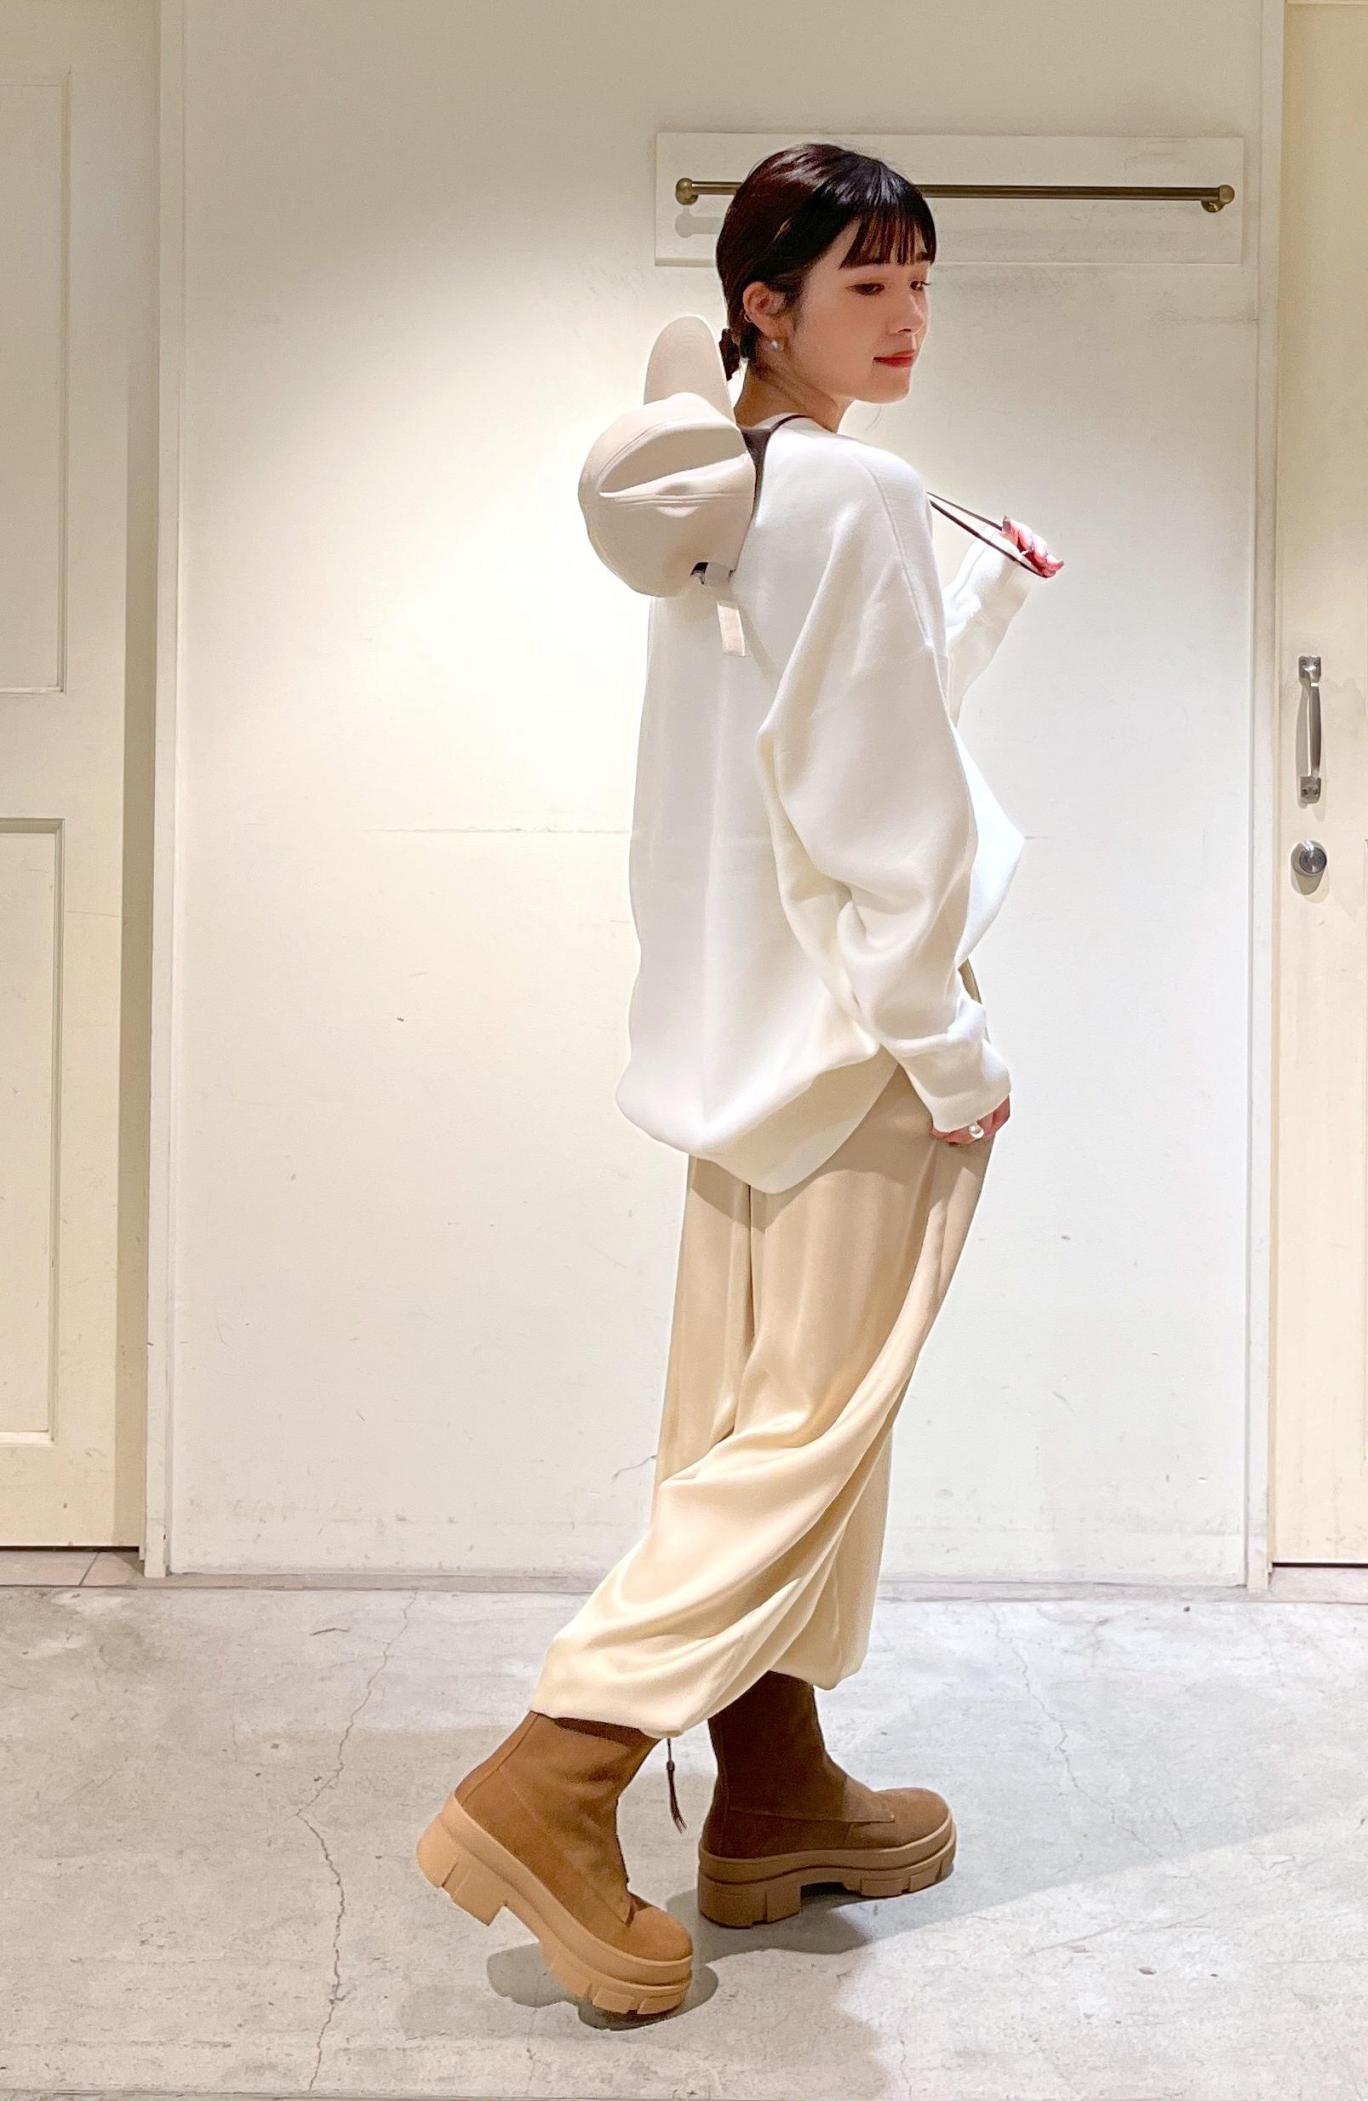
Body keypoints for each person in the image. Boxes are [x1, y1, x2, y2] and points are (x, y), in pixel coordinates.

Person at [416, 141, 1062, 2019]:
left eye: (921, 280)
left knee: (743, 1424)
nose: (909, 316)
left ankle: (772, 1786)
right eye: (867, 284)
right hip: (862, 1044)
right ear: (763, 306)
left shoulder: (718, 487)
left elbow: (806, 749)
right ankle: (556, 1779)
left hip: (737, 1046)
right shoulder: (859, 489)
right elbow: (886, 809)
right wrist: (950, 1045)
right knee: (802, 1440)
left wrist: (978, 608)